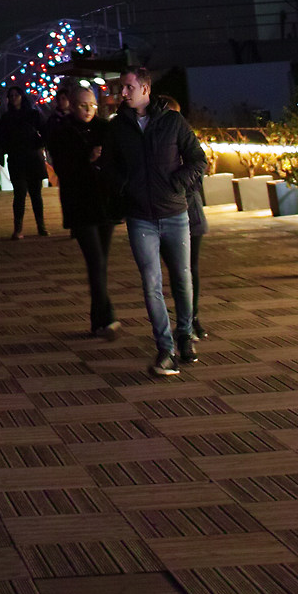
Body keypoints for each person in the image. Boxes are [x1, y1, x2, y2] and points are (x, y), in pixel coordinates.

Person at [104, 65, 206, 376]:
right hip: (140, 217)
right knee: (151, 285)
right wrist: (125, 189)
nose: (123, 93)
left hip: (175, 213)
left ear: (146, 89)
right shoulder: (118, 126)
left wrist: (177, 184)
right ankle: (165, 349)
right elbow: (110, 167)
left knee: (182, 278)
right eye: (122, 87)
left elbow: (198, 159)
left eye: (128, 87)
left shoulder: (172, 121)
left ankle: (185, 334)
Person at [46, 82, 120, 336]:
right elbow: (62, 168)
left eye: (93, 105)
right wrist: (86, 159)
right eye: (83, 105)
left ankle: (98, 319)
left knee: (101, 262)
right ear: (72, 105)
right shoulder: (62, 131)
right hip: (81, 204)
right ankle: (106, 317)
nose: (89, 110)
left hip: (105, 202)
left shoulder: (105, 129)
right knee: (96, 260)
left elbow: (118, 160)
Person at [158, 97, 209, 338]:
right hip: (166, 213)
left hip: (190, 211)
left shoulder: (187, 141)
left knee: (190, 269)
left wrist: (176, 184)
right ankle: (185, 322)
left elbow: (198, 174)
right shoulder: (155, 142)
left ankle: (192, 318)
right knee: (177, 270)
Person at [0, 81, 49, 237]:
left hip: (32, 157)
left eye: (16, 95)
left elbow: (45, 132)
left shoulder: (33, 115)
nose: (13, 98)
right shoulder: (6, 118)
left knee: (36, 194)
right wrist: (9, 147)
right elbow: (1, 137)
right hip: (17, 158)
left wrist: (38, 143)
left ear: (22, 97)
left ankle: (41, 225)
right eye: (11, 96)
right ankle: (18, 228)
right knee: (19, 194)